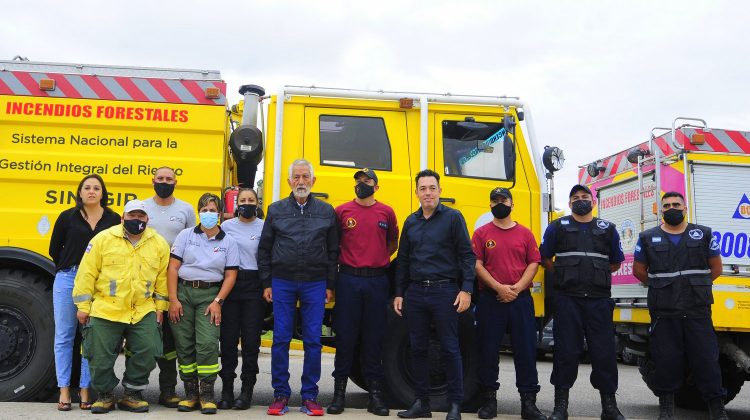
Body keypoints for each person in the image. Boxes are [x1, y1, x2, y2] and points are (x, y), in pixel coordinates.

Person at [633, 192, 728, 420]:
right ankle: (666, 410)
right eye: (667, 205)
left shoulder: (703, 234)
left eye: (676, 204)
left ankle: (717, 409)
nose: (672, 208)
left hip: (697, 309)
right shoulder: (647, 237)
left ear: (685, 208)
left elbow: (716, 268)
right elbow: (639, 270)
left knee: (706, 360)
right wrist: (662, 287)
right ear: (661, 210)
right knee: (666, 361)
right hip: (664, 312)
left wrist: (697, 286)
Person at [72, 199, 170, 414]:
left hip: (142, 309)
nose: (137, 220)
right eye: (132, 216)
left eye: (141, 216)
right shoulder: (103, 239)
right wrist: (83, 306)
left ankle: (132, 394)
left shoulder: (159, 243)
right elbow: (87, 273)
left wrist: (160, 308)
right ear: (122, 218)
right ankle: (105, 395)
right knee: (97, 354)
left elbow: (162, 279)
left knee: (149, 348)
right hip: (106, 308)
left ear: (147, 219)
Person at [258, 159, 338, 416]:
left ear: (313, 181)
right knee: (280, 338)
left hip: (315, 283)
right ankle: (280, 394)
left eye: (306, 177)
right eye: (297, 177)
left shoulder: (327, 211)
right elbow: (265, 248)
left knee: (313, 341)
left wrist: (330, 284)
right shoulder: (276, 209)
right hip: (282, 281)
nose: (301, 181)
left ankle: (310, 396)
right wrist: (267, 282)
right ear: (290, 181)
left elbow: (334, 250)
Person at [393, 169, 475, 420]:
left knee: (450, 348)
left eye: (432, 188)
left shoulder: (453, 218)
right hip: (416, 292)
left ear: (440, 190)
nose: (427, 193)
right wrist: (399, 293)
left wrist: (466, 290)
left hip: (445, 291)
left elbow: (466, 255)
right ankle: (421, 404)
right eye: (423, 188)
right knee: (418, 349)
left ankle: (455, 406)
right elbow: (403, 260)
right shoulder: (410, 222)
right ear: (416, 192)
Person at [539, 184, 625, 420]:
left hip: (598, 300)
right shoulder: (558, 226)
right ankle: (560, 407)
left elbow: (616, 262)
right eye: (575, 197)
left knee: (604, 353)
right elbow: (545, 257)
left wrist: (595, 273)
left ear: (593, 201)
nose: (580, 200)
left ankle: (609, 407)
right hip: (568, 300)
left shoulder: (608, 229)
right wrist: (563, 275)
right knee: (565, 352)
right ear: (569, 203)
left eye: (585, 197)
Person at [327, 168, 398, 416]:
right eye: (358, 181)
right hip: (348, 280)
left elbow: (392, 243)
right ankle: (338, 395)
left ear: (376, 187)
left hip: (377, 282)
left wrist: (375, 259)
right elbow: (334, 247)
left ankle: (376, 396)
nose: (362, 184)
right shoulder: (342, 211)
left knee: (373, 339)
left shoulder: (386, 212)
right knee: (345, 338)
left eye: (367, 181)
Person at [472, 188, 546, 420]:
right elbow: (477, 265)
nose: (499, 203)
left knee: (525, 351)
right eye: (494, 200)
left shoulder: (525, 234)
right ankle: (488, 402)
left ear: (513, 204)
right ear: (490, 205)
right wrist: (499, 288)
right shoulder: (481, 234)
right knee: (488, 352)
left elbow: (533, 263)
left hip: (520, 300)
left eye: (503, 200)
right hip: (490, 299)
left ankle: (529, 404)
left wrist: (516, 288)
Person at [49, 174, 121, 411]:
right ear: (79, 193)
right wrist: (73, 268)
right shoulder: (66, 217)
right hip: (68, 278)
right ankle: (64, 390)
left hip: (98, 283)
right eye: (86, 187)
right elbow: (54, 250)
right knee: (65, 336)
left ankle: (85, 390)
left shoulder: (113, 219)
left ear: (103, 193)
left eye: (96, 188)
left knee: (90, 338)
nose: (91, 191)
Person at [168, 193, 239, 415]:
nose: (208, 214)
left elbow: (230, 276)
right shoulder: (185, 235)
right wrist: (173, 300)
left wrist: (218, 301)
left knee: (207, 344)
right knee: (184, 344)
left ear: (219, 213)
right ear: (198, 212)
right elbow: (172, 268)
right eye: (204, 210)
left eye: (212, 210)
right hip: (184, 293)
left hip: (210, 295)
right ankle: (191, 395)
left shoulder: (228, 241)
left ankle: (207, 395)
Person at [141, 166, 197, 408]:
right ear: (152, 180)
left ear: (176, 181)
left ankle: (168, 390)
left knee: (171, 342)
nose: (164, 182)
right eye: (160, 178)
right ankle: (134, 389)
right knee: (141, 338)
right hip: (144, 283)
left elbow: (195, 244)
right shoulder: (141, 207)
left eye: (168, 179)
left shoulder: (185, 210)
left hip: (175, 283)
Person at [216, 188, 265, 410]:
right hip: (232, 284)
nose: (246, 203)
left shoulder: (264, 227)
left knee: (251, 342)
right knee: (227, 341)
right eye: (243, 200)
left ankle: (246, 392)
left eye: (251, 200)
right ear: (237, 204)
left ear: (257, 203)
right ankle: (227, 390)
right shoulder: (226, 227)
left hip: (255, 286)